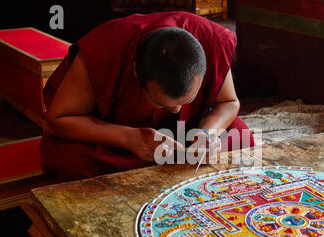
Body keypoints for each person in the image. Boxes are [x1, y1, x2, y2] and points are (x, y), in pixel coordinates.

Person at [41, 11, 254, 182]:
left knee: (241, 135)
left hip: (186, 135)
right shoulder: (106, 48)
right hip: (122, 136)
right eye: (161, 102)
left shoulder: (209, 41)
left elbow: (228, 102)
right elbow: (57, 120)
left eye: (186, 101)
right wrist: (128, 138)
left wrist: (209, 132)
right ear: (135, 73)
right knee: (69, 158)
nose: (176, 111)